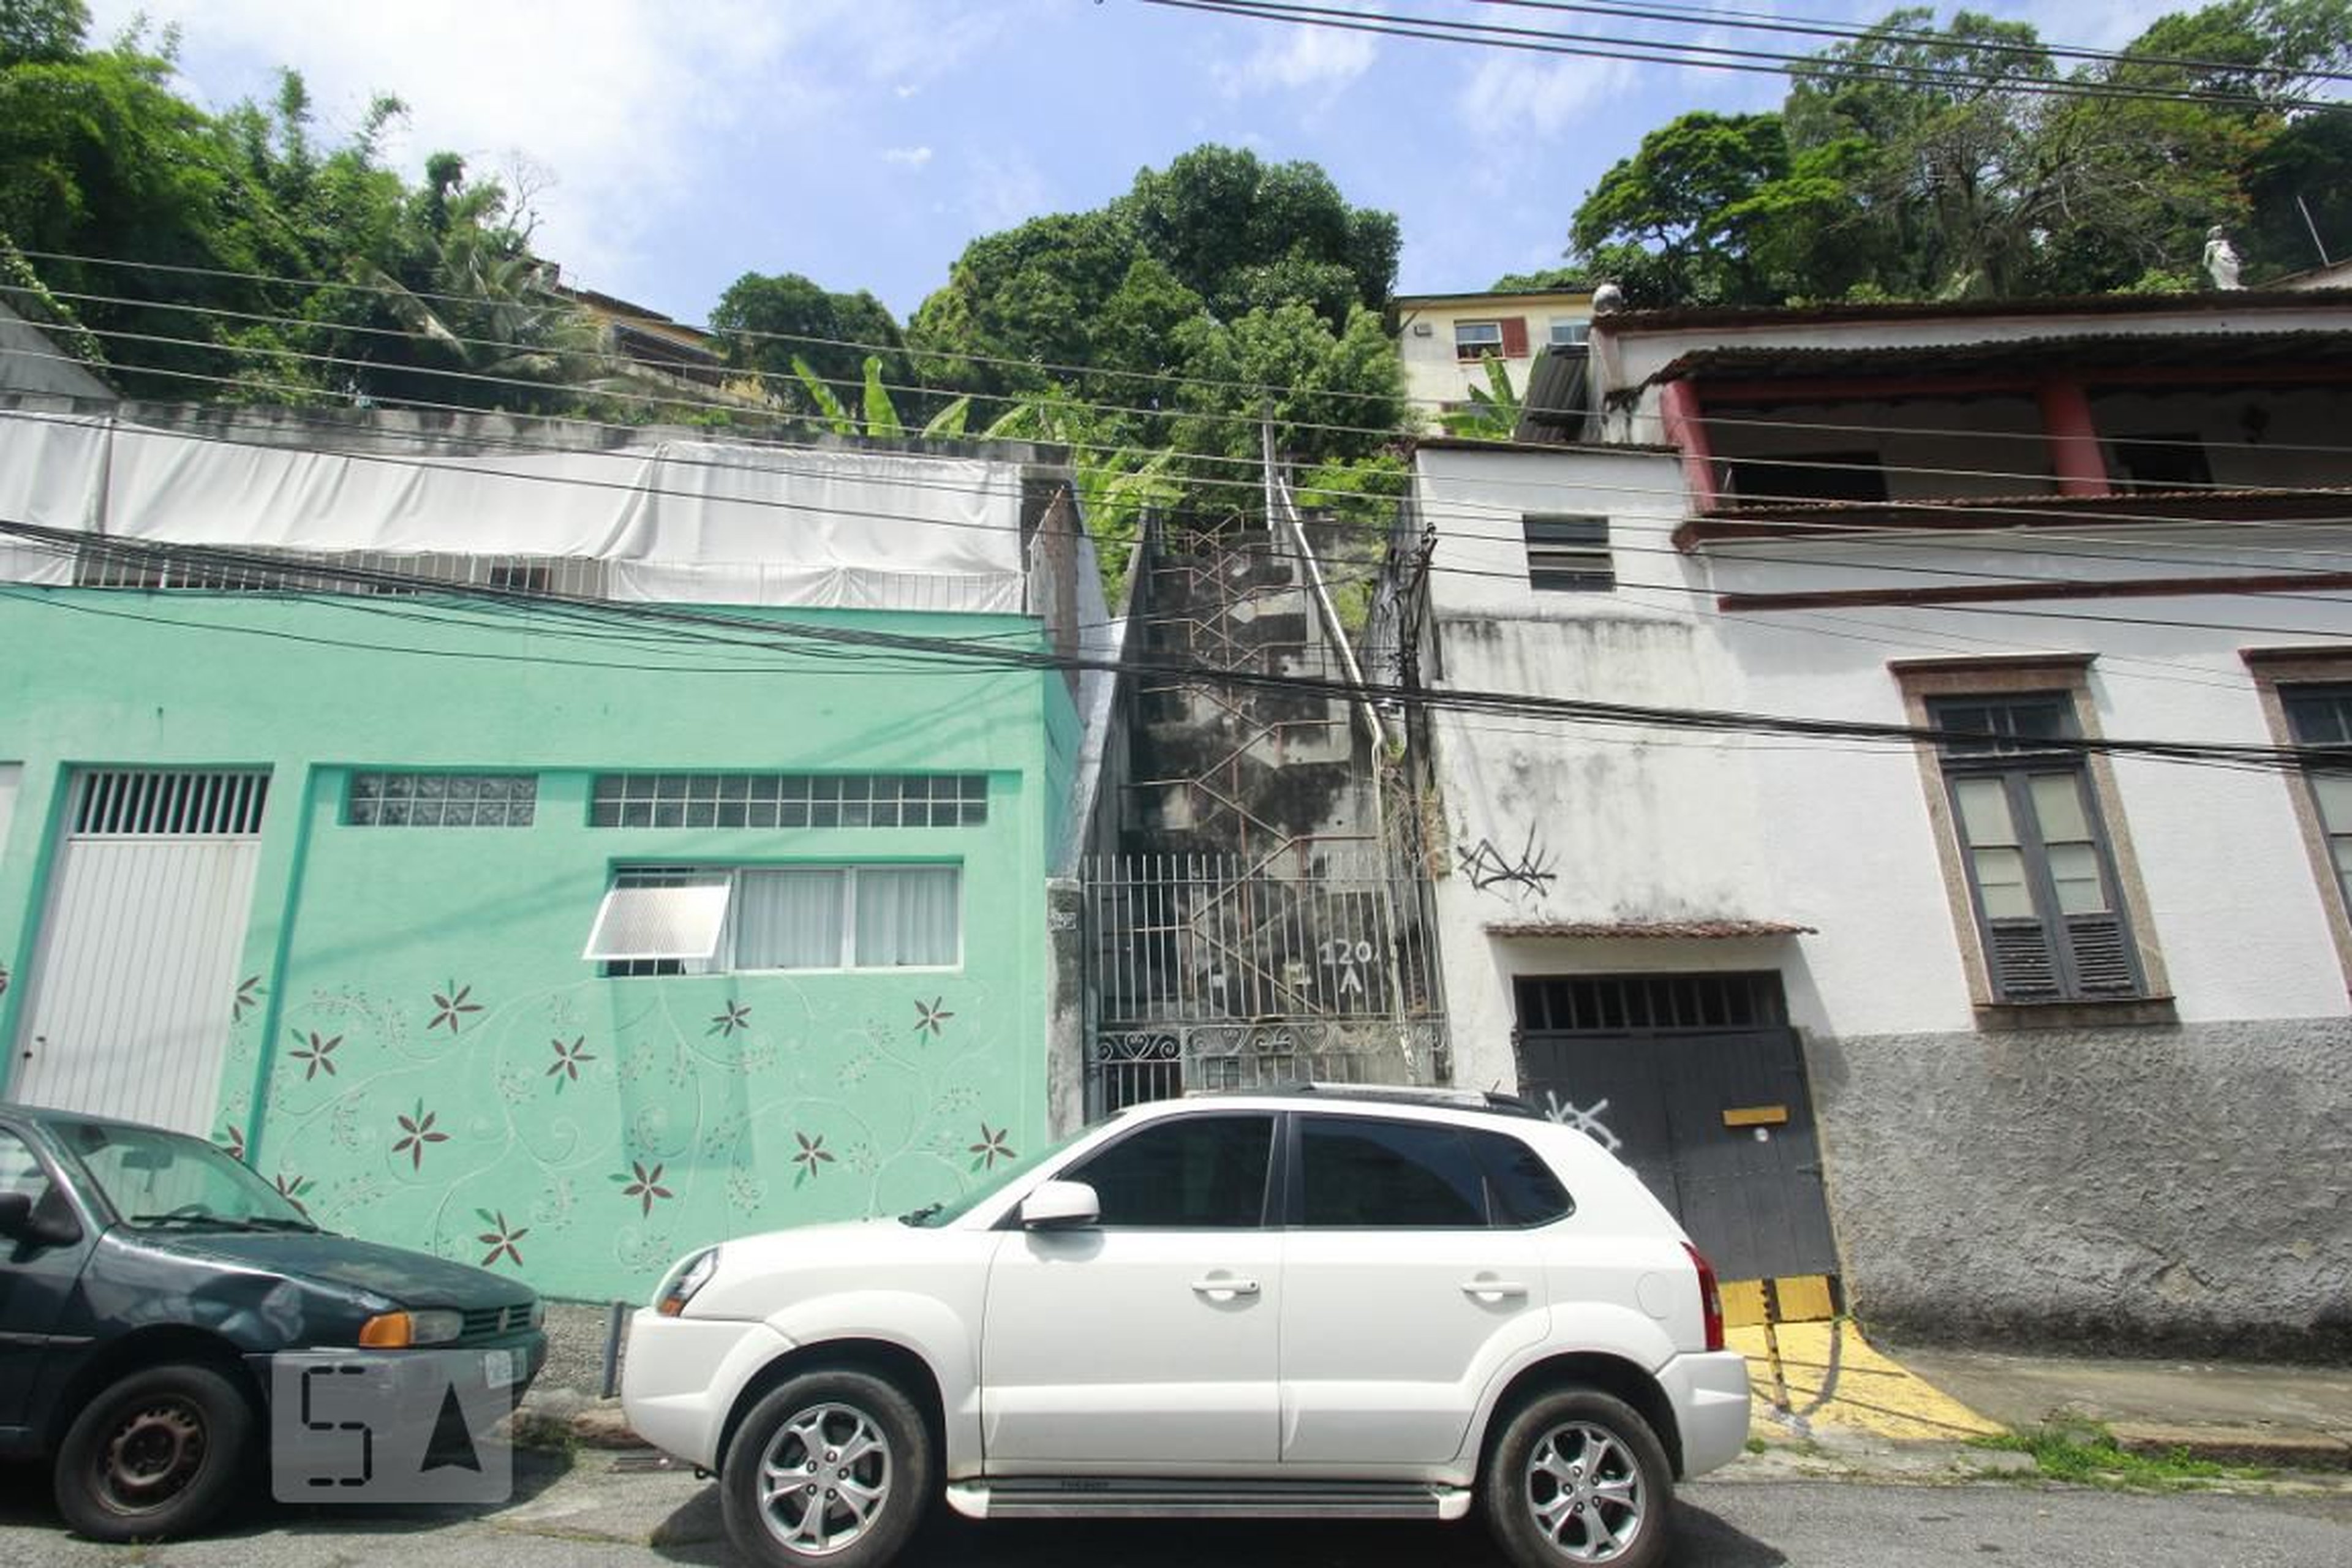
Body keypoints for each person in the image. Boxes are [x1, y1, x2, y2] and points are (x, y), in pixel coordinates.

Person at [2203, 225, 2245, 290]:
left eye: (2220, 231)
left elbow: (2230, 250)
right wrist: (2206, 263)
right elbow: (2207, 255)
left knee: (2233, 270)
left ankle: (2233, 285)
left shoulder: (2226, 242)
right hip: (2219, 260)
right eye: (2217, 232)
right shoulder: (2210, 244)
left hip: (2230, 259)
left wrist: (2236, 257)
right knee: (2221, 273)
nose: (2219, 233)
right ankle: (2224, 286)